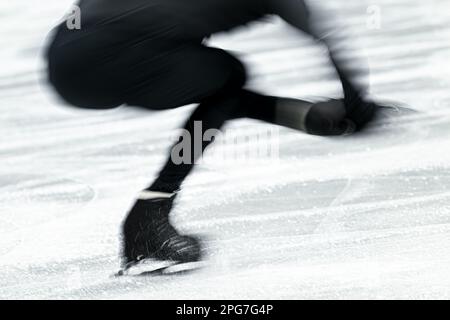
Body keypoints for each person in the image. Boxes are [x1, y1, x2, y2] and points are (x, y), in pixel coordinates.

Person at [46, 0, 378, 269]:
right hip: (110, 55)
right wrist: (356, 106)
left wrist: (307, 118)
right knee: (228, 76)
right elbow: (325, 40)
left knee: (221, 83)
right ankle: (150, 214)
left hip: (65, 58)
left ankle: (150, 212)